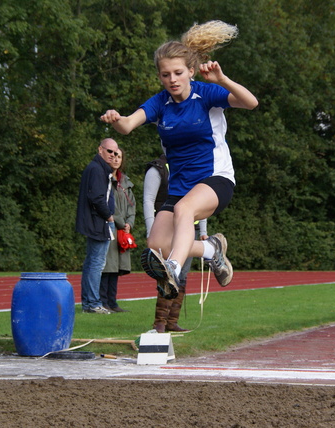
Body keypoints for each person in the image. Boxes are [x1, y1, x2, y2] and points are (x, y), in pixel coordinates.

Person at [100, 20, 258, 299]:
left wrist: (222, 79)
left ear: (190, 71)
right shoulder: (160, 103)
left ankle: (172, 267)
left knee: (184, 212)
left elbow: (250, 102)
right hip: (181, 187)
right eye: (165, 75)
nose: (172, 79)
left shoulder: (206, 93)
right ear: (159, 77)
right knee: (156, 244)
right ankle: (211, 250)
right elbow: (127, 126)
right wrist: (116, 120)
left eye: (177, 73)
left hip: (215, 179)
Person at [144, 154, 207, 332]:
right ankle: (160, 322)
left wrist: (203, 232)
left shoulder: (194, 167)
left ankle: (172, 321)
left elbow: (201, 203)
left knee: (182, 276)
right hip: (166, 229)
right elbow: (148, 200)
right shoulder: (158, 168)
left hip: (189, 230)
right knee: (167, 272)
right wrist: (151, 230)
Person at [75, 138, 119, 314]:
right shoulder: (97, 169)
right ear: (100, 149)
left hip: (96, 221)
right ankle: (93, 303)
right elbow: (97, 198)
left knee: (92, 262)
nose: (113, 155)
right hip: (98, 222)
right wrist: (109, 216)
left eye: (115, 153)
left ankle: (88, 303)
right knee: (96, 263)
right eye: (109, 151)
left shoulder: (98, 169)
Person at [100, 147, 135, 313]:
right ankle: (103, 301)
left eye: (119, 156)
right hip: (109, 227)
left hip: (122, 231)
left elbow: (132, 207)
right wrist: (122, 222)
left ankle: (113, 302)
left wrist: (130, 224)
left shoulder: (125, 182)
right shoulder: (103, 179)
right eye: (113, 156)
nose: (116, 159)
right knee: (107, 266)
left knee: (116, 267)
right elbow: (108, 205)